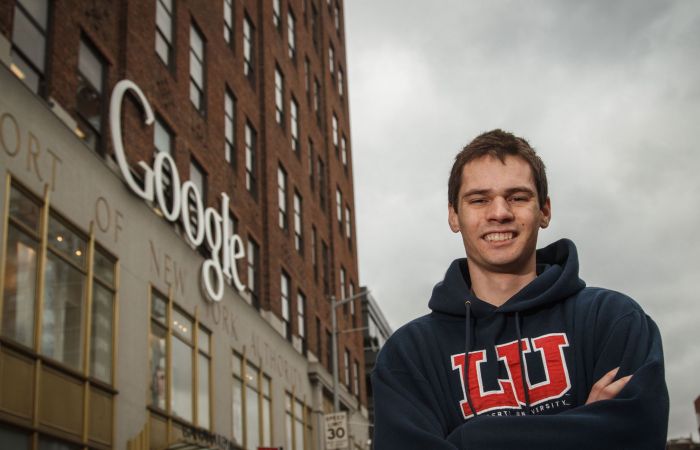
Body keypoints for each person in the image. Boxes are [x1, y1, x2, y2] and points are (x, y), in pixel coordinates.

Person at [371, 129, 668, 449]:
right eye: (479, 199)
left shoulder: (612, 321)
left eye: (517, 197)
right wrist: (584, 427)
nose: (499, 213)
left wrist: (467, 438)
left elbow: (635, 439)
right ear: (454, 215)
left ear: (544, 210)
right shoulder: (409, 356)